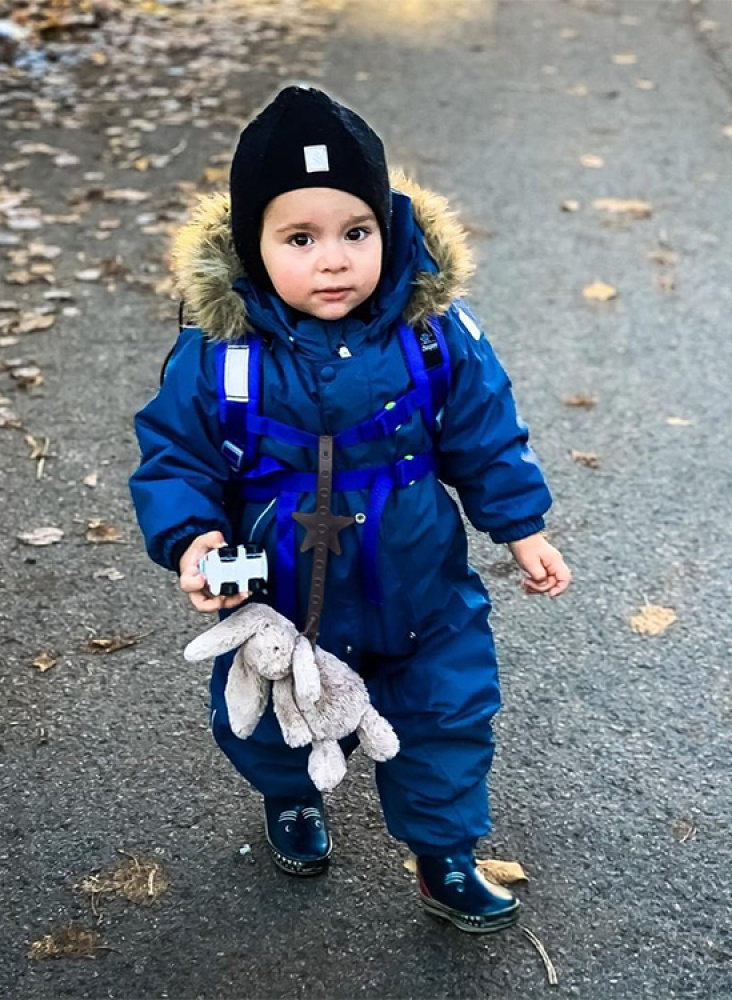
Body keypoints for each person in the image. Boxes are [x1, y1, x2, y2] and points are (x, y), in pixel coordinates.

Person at [130, 85, 571, 934]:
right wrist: (194, 539)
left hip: (420, 587)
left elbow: (486, 433)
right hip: (287, 605)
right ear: (253, 248)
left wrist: (521, 526)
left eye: (355, 233)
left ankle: (443, 855)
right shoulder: (219, 359)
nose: (333, 261)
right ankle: (291, 798)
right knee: (266, 723)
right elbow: (174, 459)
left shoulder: (436, 336)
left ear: (389, 229)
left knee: (450, 714)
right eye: (300, 239)